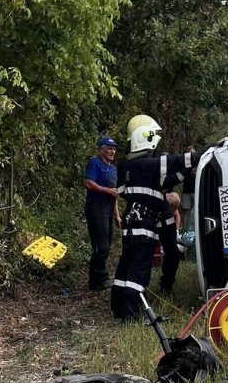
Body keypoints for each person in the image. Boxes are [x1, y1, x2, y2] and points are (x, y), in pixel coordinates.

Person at [111, 115, 199, 321]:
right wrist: (204, 153)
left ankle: (119, 308)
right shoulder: (149, 164)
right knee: (139, 269)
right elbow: (179, 161)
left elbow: (131, 189)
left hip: (136, 220)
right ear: (146, 137)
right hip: (145, 222)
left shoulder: (127, 166)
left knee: (126, 264)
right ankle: (130, 315)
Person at [84, 137, 119, 291]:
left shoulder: (113, 169)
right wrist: (106, 190)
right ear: (101, 150)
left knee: (106, 244)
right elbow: (88, 183)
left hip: (109, 208)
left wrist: (117, 215)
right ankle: (99, 278)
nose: (112, 152)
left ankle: (97, 281)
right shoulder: (94, 163)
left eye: (114, 149)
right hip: (96, 207)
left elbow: (115, 193)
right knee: (101, 245)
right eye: (109, 148)